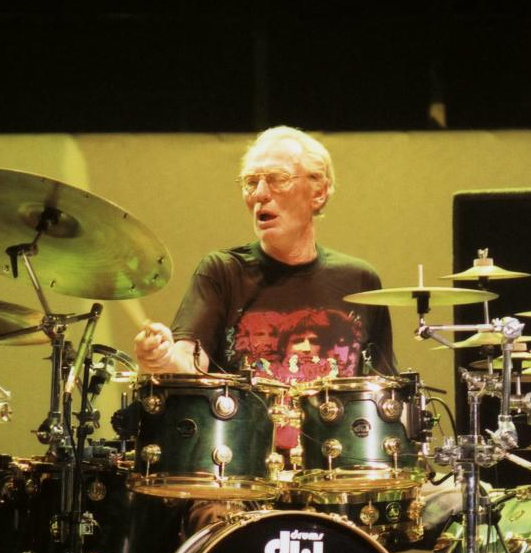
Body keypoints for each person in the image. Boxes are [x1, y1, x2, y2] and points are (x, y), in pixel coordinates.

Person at [133, 125, 396, 446]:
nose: (259, 194)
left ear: (319, 192)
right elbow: (189, 364)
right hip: (241, 470)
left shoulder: (360, 281)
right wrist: (160, 359)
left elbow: (383, 392)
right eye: (250, 181)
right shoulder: (222, 271)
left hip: (332, 474)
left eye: (277, 179)